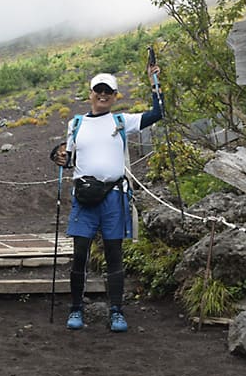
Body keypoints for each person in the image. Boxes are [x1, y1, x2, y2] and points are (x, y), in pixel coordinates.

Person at [51, 65, 163, 332]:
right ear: (91, 93)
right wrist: (57, 154)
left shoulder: (122, 121)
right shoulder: (75, 123)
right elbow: (68, 156)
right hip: (85, 197)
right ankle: (76, 308)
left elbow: (158, 114)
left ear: (115, 96)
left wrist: (154, 82)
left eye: (108, 91)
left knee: (114, 254)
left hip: (114, 195)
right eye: (98, 90)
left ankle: (116, 312)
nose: (103, 95)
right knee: (80, 254)